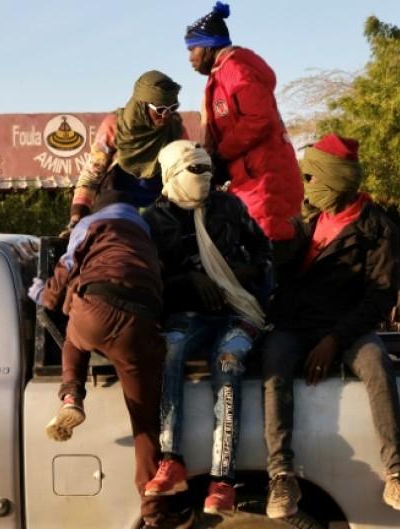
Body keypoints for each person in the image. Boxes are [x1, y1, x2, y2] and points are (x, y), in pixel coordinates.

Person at [260, 133, 400, 519]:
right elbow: (277, 266)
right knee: (273, 361)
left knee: (377, 365)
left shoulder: (378, 229)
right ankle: (281, 476)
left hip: (346, 324)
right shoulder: (306, 217)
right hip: (295, 323)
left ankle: (399, 473)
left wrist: (335, 339)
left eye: (313, 178)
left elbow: (381, 296)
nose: (308, 186)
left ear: (334, 179)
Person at [28, 190, 193, 529]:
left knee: (74, 336)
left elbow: (63, 274)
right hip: (140, 324)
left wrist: (39, 292)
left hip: (95, 310)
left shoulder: (89, 226)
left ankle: (72, 395)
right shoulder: (147, 236)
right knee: (145, 423)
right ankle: (154, 512)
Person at [141, 140, 272, 515]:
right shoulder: (154, 220)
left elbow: (263, 249)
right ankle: (171, 459)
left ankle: (223, 479)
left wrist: (250, 272)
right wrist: (187, 281)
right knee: (171, 350)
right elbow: (152, 281)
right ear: (170, 174)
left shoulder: (228, 206)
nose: (204, 176)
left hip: (238, 312)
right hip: (187, 316)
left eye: (206, 169)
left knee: (228, 362)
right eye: (193, 170)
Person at [183, 2, 304, 265]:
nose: (190, 56)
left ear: (209, 45)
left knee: (267, 266)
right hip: (252, 182)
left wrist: (222, 155)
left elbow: (259, 119)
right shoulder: (221, 74)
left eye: (193, 48)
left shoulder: (236, 69)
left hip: (264, 184)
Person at [62, 70, 187, 236]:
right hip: (117, 200)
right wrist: (77, 218)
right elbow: (92, 175)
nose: (167, 115)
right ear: (142, 105)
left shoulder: (176, 130)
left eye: (173, 108)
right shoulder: (115, 126)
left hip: (161, 202)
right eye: (160, 109)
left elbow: (185, 173)